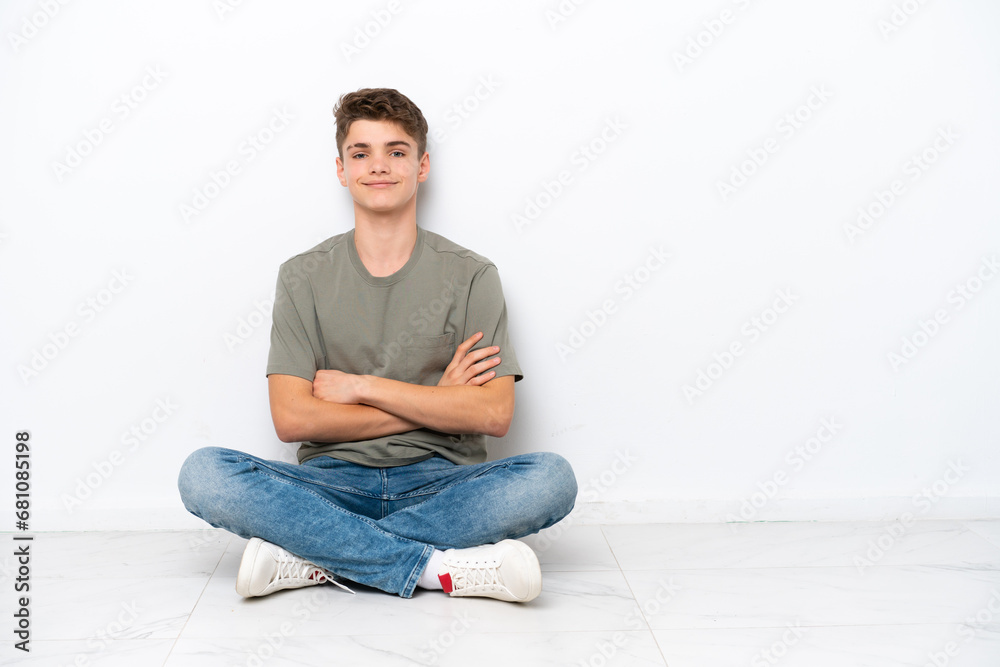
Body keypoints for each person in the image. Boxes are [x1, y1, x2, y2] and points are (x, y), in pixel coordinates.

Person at [177, 87, 577, 603]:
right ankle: (435, 569)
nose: (378, 166)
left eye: (396, 151)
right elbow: (293, 420)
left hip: (443, 485)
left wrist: (362, 388)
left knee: (551, 478)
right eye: (360, 153)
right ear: (341, 170)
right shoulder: (303, 276)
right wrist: (439, 401)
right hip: (328, 488)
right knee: (204, 475)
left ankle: (313, 556)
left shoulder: (474, 275)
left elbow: (495, 414)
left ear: (422, 165)